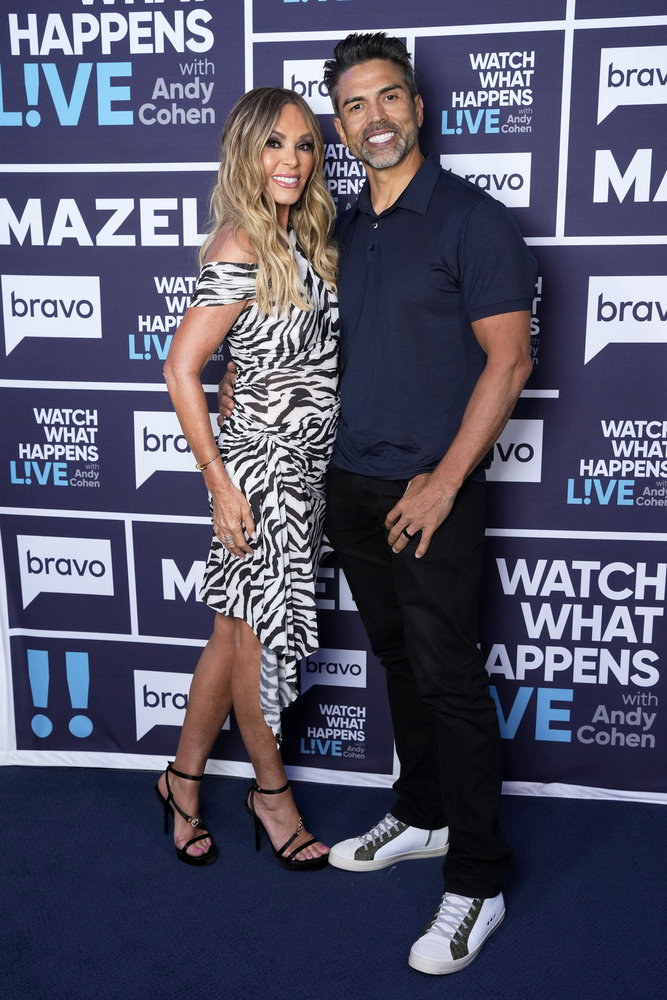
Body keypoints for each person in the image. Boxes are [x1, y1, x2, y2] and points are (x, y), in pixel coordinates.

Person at [220, 34, 537, 973]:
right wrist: (239, 371)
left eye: (387, 98)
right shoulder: (342, 224)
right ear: (341, 125)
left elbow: (509, 359)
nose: (373, 120)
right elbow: (293, 328)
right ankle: (426, 812)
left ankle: (477, 879)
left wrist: (442, 482)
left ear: (417, 106)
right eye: (352, 108)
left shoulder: (471, 221)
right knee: (398, 662)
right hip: (347, 487)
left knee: (447, 679)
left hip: (426, 491)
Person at [157, 87, 340, 870]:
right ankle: (272, 797)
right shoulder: (241, 245)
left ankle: (181, 781)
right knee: (257, 645)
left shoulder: (306, 236)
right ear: (244, 154)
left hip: (304, 473)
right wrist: (220, 481)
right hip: (260, 478)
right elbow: (180, 368)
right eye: (274, 145)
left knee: (231, 638)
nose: (291, 161)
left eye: (303, 144)